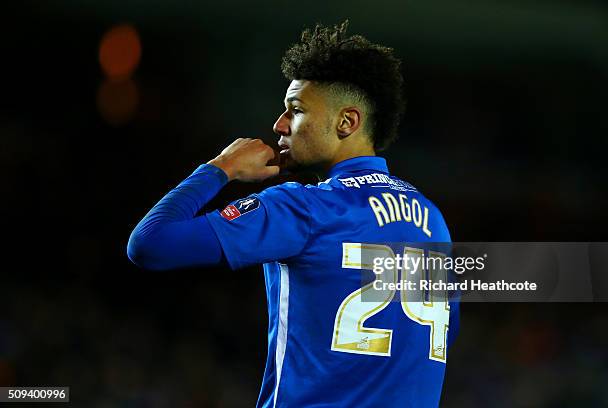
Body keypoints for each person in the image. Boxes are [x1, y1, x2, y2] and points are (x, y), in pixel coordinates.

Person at [128, 20, 458, 408]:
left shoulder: (304, 207)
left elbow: (150, 244)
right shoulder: (433, 218)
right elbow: (438, 342)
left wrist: (220, 168)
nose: (279, 124)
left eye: (295, 110)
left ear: (346, 122)